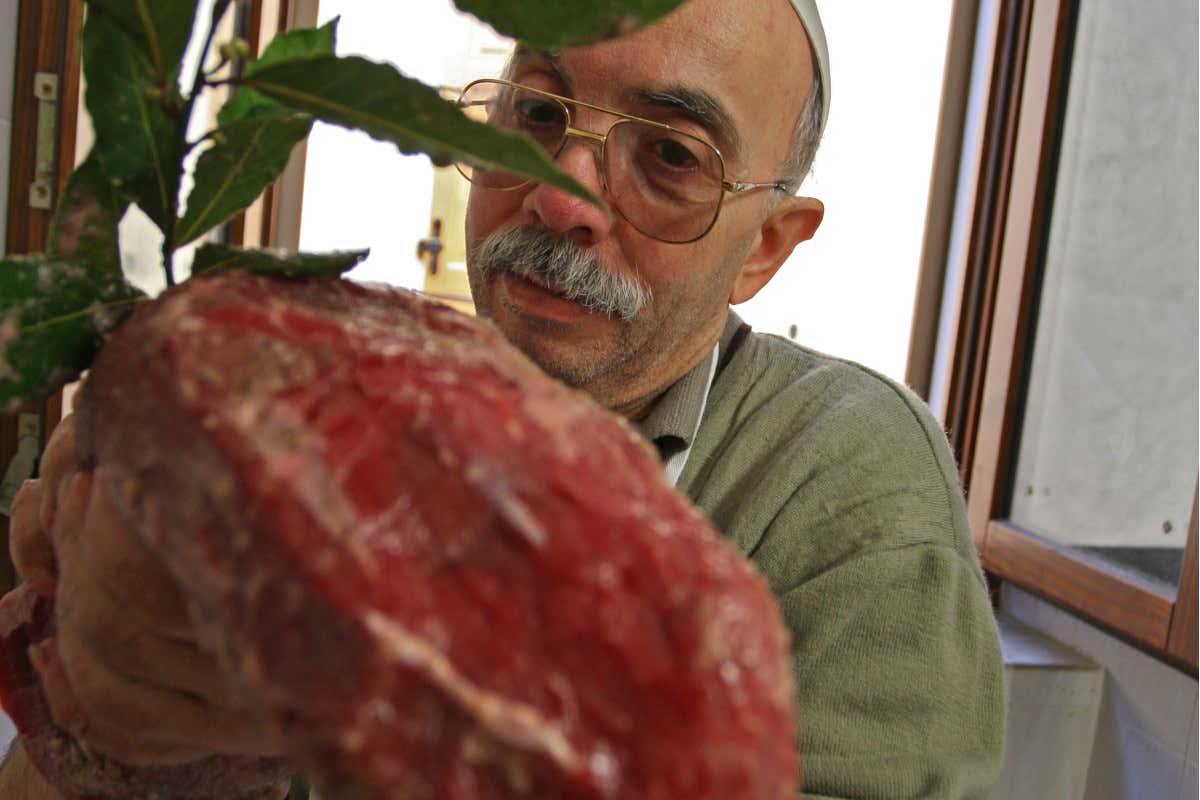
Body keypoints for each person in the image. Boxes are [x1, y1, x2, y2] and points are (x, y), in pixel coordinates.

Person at [1, 0, 1006, 797]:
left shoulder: (844, 472)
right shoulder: (356, 398)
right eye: (538, 115)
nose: (560, 194)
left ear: (769, 246)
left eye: (670, 158)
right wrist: (120, 713)